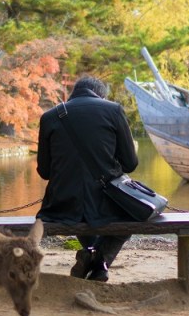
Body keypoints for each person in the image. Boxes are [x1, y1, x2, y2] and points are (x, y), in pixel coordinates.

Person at [35, 75, 139, 282]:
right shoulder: (113, 110)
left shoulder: (49, 117)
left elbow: (45, 172)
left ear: (75, 93)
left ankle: (91, 255)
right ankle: (99, 263)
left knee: (82, 214)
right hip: (105, 203)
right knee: (132, 214)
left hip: (61, 205)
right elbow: (130, 164)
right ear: (101, 95)